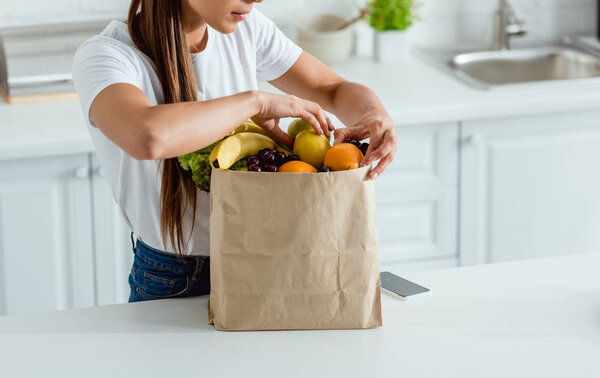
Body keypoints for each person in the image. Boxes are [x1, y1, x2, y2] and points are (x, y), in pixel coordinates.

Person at [72, 0, 398, 303]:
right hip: (175, 278)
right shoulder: (108, 55)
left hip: (265, 259)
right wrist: (255, 101)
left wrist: (374, 114)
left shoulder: (248, 28)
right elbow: (147, 137)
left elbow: (333, 88)